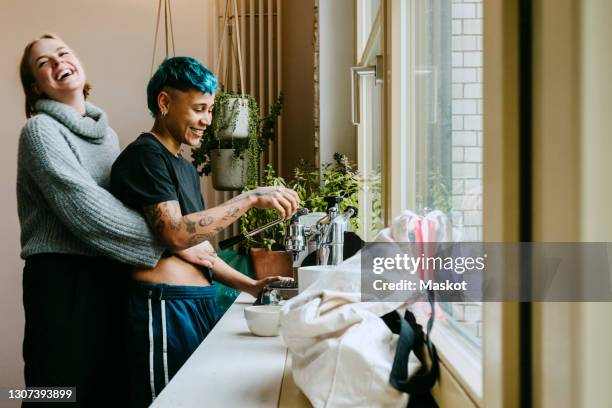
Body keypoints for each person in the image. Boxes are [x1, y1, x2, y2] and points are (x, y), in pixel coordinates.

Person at [17, 34, 242, 406]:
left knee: (102, 391)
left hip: (108, 273)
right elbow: (87, 212)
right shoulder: (40, 131)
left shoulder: (106, 137)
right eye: (43, 63)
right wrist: (173, 243)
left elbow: (126, 211)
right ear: (34, 86)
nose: (57, 63)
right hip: (60, 278)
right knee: (52, 392)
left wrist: (178, 242)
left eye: (62, 53)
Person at [110, 56, 299, 407]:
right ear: (165, 103)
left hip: (194, 304)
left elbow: (203, 252)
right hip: (164, 308)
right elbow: (178, 235)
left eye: (210, 110)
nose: (206, 121)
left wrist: (252, 286)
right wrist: (251, 198)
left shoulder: (184, 167)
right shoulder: (145, 156)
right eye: (199, 108)